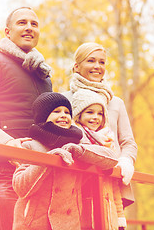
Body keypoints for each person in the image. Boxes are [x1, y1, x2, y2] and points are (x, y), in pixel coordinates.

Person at [0, 7, 52, 230]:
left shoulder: (43, 75)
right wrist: (8, 144)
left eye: (34, 24)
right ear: (7, 31)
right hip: (6, 167)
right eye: (22, 23)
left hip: (43, 167)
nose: (29, 28)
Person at [12, 92, 118, 230]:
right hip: (34, 223)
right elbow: (20, 187)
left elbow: (111, 159)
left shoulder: (78, 143)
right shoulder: (30, 145)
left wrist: (79, 150)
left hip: (69, 223)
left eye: (67, 112)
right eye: (56, 111)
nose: (63, 115)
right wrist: (49, 159)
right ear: (43, 116)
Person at [62, 42, 138, 207]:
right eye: (91, 61)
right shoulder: (64, 99)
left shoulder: (115, 102)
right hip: (76, 179)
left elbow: (128, 143)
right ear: (76, 67)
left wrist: (125, 162)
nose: (97, 66)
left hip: (111, 181)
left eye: (102, 62)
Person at [71, 88, 127, 230]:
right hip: (83, 205)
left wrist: (120, 215)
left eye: (100, 113)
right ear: (78, 114)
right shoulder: (76, 137)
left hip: (107, 207)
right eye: (90, 112)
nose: (95, 117)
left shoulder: (107, 141)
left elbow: (114, 184)